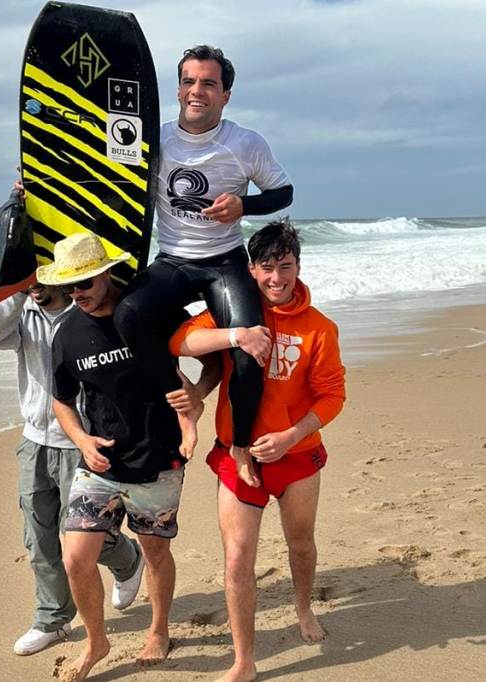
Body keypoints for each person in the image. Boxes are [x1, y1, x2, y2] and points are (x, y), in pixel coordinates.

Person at [169, 220, 346, 682]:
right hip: (237, 457)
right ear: (250, 270)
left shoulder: (320, 329)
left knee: (301, 543)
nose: (276, 278)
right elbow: (179, 340)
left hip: (296, 457)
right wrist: (234, 336)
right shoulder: (234, 310)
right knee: (236, 558)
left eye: (285, 267)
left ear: (298, 267)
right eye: (266, 268)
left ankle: (303, 608)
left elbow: (333, 395)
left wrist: (289, 436)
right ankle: (243, 659)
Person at [43, 232, 219, 681]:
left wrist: (195, 395)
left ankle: (159, 630)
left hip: (159, 458)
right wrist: (82, 441)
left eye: (83, 284)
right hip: (99, 464)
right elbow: (61, 400)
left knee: (155, 552)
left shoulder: (151, 312)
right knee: (75, 558)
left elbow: (217, 354)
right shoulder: (66, 332)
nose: (75, 295)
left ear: (104, 273)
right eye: (68, 288)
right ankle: (96, 640)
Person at [112, 44, 294, 473]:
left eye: (209, 83)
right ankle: (184, 400)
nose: (198, 91)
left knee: (251, 356)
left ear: (225, 94)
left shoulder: (245, 143)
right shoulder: (152, 141)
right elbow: (101, 180)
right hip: (173, 260)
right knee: (127, 317)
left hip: (224, 262)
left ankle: (240, 445)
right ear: (177, 90)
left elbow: (283, 193)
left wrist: (243, 207)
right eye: (189, 81)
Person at [0, 281, 145, 656]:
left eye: (42, 278)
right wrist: (19, 292)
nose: (36, 285)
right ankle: (52, 620)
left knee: (81, 536)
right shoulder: (24, 315)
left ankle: (127, 558)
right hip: (34, 440)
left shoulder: (87, 309)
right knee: (38, 537)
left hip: (81, 440)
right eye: (29, 277)